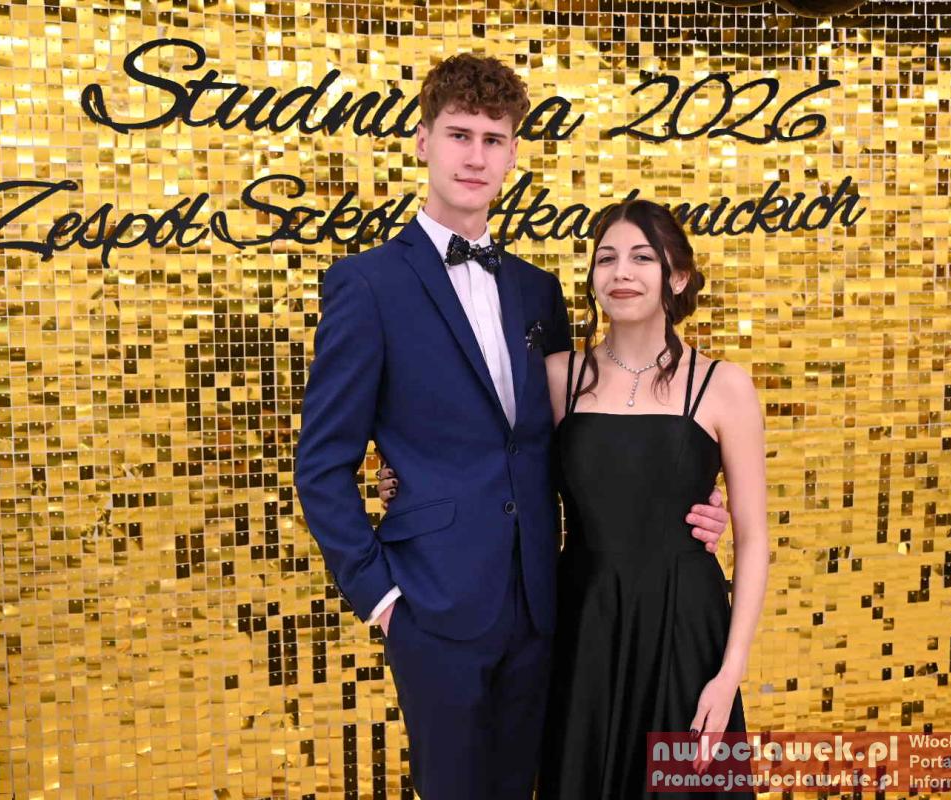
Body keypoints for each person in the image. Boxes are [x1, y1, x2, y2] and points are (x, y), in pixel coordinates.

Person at [293, 54, 729, 800]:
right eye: (459, 135)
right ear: (423, 141)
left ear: (513, 154)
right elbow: (321, 463)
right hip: (431, 605)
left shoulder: (537, 290)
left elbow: (572, 436)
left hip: (546, 605)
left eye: (493, 140)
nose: (475, 157)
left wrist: (677, 498)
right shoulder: (368, 284)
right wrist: (383, 599)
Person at [379, 199, 770, 798]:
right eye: (606, 258)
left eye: (642, 258)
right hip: (582, 623)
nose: (621, 273)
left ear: (678, 277)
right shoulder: (558, 376)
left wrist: (730, 671)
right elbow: (489, 455)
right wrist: (407, 477)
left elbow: (755, 538)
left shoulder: (726, 386)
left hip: (686, 623)